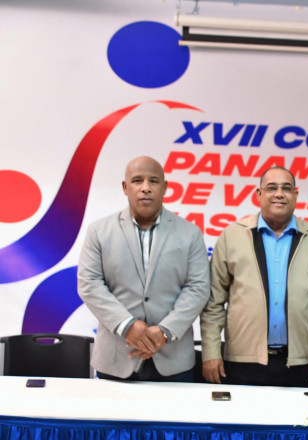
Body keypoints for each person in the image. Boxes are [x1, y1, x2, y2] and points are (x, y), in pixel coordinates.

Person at [200, 166, 308, 387]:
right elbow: (213, 303)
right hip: (241, 362)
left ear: (296, 195)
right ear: (259, 194)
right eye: (271, 188)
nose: (279, 194)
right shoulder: (232, 236)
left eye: (286, 188)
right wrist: (211, 352)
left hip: (299, 365)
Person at [78, 156, 210, 382]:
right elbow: (89, 284)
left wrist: (165, 331)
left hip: (174, 360)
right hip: (116, 358)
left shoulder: (190, 233)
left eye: (154, 181)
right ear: (125, 187)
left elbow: (198, 288)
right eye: (137, 181)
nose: (146, 188)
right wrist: (127, 325)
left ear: (165, 187)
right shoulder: (99, 231)